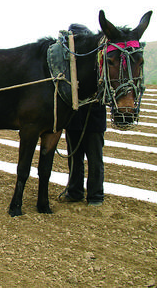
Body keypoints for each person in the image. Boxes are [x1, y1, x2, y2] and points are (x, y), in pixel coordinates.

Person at [62, 23, 106, 206]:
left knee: (94, 158)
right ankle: (75, 191)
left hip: (93, 116)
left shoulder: (97, 61)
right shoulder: (66, 62)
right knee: (74, 156)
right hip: (74, 116)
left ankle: (95, 196)